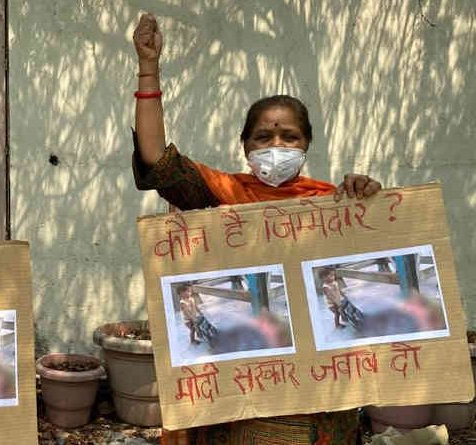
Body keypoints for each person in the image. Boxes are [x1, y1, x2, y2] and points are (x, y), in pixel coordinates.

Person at [132, 12, 382, 445]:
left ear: (306, 146)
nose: (277, 146)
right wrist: (148, 68)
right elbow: (156, 158)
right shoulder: (217, 193)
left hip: (313, 385)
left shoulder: (330, 204)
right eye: (263, 138)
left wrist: (369, 200)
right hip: (234, 379)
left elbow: (372, 275)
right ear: (245, 146)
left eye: (289, 137)